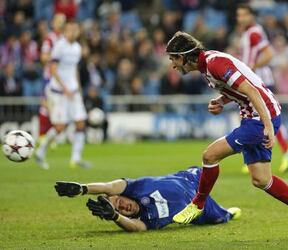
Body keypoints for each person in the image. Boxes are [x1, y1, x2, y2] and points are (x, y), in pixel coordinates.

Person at [166, 31, 288, 237]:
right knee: (261, 179)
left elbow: (252, 91)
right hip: (254, 116)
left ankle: (198, 204)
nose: (173, 65)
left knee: (210, 155)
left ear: (184, 55)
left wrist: (267, 126)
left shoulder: (215, 64)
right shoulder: (207, 66)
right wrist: (222, 101)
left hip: (259, 118)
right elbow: (240, 89)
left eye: (173, 59)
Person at [54, 166, 241, 231]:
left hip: (188, 177)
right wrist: (115, 217)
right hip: (199, 208)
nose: (123, 207)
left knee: (210, 162)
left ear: (122, 195)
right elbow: (136, 228)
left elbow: (109, 187)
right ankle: (229, 212)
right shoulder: (146, 219)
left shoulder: (134, 187)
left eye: (120, 202)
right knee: (220, 218)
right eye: (119, 210)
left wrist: (83, 189)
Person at [236, 4, 288, 174]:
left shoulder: (254, 32)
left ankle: (284, 149)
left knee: (260, 116)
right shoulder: (252, 32)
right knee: (259, 117)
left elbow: (269, 54)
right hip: (257, 79)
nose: (240, 19)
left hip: (257, 80)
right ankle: (257, 157)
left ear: (251, 16)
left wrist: (250, 68)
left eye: (243, 15)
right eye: (238, 15)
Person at [35, 21, 91, 169]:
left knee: (80, 123)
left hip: (73, 91)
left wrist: (77, 86)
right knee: (60, 127)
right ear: (65, 31)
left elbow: (73, 69)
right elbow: (52, 69)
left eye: (75, 30)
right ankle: (40, 152)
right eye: (70, 30)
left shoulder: (77, 48)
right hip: (59, 92)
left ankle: (76, 158)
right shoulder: (60, 46)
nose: (73, 33)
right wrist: (64, 88)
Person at [38, 13, 66, 151]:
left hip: (62, 79)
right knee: (45, 106)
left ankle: (50, 138)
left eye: (63, 21)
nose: (61, 24)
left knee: (55, 109)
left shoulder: (65, 39)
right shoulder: (50, 38)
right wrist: (56, 56)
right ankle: (42, 135)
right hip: (50, 78)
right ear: (53, 23)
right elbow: (43, 57)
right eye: (59, 21)